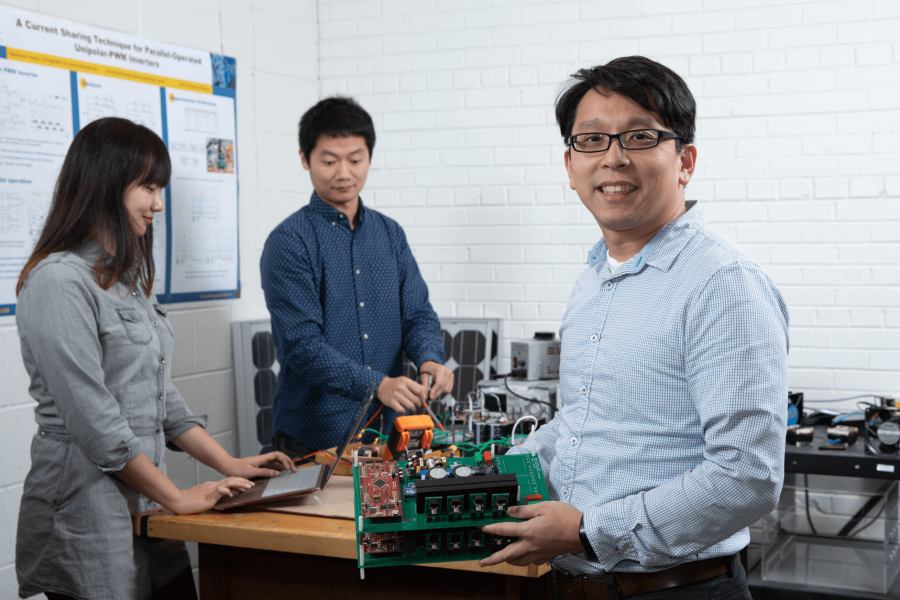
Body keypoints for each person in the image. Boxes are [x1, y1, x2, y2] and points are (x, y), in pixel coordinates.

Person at [480, 56, 789, 600]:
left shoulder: (723, 282)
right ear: (570, 164)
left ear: (685, 160)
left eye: (640, 137)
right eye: (591, 140)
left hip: (677, 591)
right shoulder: (594, 278)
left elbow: (747, 478)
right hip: (574, 583)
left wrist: (583, 532)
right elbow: (589, 425)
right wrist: (500, 465)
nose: (614, 158)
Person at [14, 117, 295, 600]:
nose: (158, 204)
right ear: (105, 182)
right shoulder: (58, 282)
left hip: (148, 500)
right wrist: (179, 496)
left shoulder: (124, 281)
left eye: (159, 188)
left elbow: (163, 402)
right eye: (148, 187)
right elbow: (95, 422)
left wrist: (232, 464)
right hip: (87, 503)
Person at [260, 96, 453, 452]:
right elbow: (302, 347)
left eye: (355, 159)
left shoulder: (389, 233)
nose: (344, 173)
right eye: (329, 161)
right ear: (305, 159)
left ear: (369, 157)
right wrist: (377, 384)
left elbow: (417, 313)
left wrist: (429, 358)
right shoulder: (288, 242)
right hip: (313, 438)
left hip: (388, 433)